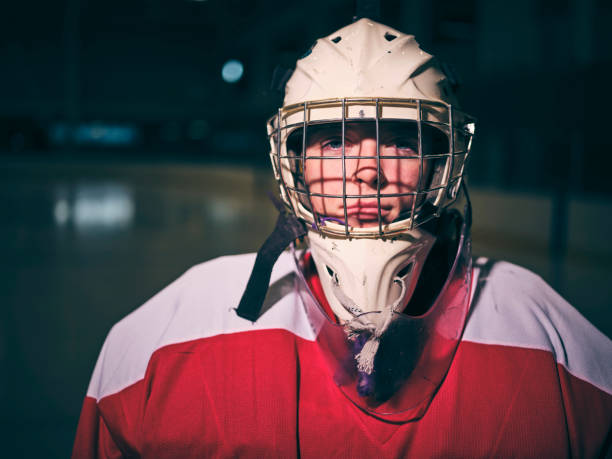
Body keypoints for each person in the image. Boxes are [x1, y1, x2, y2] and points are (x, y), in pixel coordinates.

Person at [72, 18, 612, 458]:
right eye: (332, 142)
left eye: (401, 141)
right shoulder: (165, 337)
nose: (366, 171)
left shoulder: (548, 337)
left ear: (442, 162)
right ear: (293, 164)